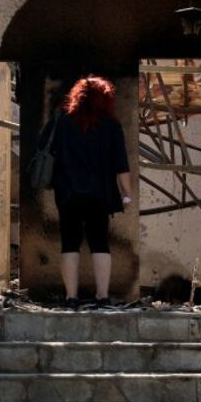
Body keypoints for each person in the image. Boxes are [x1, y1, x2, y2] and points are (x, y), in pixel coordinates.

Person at [46, 76, 133, 309]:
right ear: (105, 99)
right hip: (99, 193)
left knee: (69, 242)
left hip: (68, 192)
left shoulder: (63, 121)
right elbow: (121, 165)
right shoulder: (111, 125)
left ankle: (71, 297)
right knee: (100, 243)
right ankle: (102, 296)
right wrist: (127, 194)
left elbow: (52, 153)